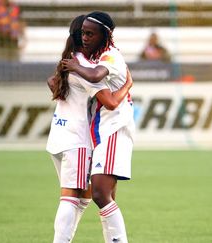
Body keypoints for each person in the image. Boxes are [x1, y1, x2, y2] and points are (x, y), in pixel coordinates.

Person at [46, 15, 133, 243]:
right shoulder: (84, 65)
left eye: (90, 33)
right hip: (78, 137)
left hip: (58, 135)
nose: (86, 37)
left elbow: (52, 82)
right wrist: (128, 86)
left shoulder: (67, 61)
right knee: (77, 196)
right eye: (83, 33)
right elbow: (111, 101)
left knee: (84, 195)